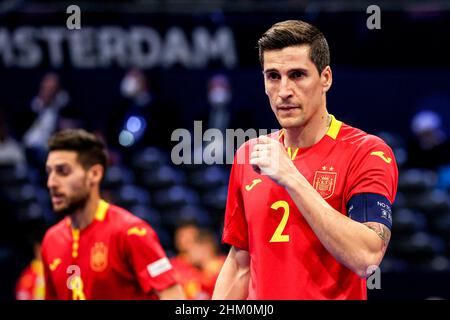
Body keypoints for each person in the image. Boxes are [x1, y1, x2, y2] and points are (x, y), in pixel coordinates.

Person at [212, 20, 398, 300]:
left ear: (326, 78)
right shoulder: (248, 156)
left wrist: (292, 177)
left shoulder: (367, 152)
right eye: (273, 76)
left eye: (297, 75)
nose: (284, 91)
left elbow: (367, 256)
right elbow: (240, 263)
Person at [41, 129, 185, 300]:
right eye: (49, 172)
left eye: (63, 171)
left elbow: (174, 297)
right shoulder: (51, 240)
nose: (51, 183)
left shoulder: (131, 232)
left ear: (94, 174)